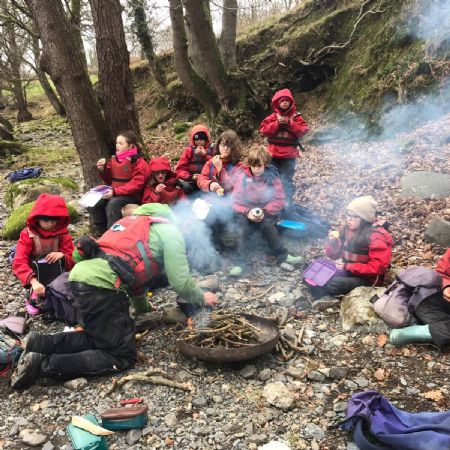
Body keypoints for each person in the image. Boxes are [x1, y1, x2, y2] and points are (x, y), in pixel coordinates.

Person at [11, 203, 218, 389]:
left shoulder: (130, 223)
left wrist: (144, 309)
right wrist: (201, 298)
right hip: (102, 287)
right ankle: (43, 365)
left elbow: (133, 279)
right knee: (121, 355)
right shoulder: (170, 231)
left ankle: (39, 344)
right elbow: (180, 281)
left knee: (98, 336)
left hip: (78, 279)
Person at [308, 196, 394, 309]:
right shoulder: (347, 229)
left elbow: (377, 268)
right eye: (348, 215)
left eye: (354, 216)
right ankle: (320, 292)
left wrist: (348, 266)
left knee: (334, 284)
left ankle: (327, 297)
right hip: (348, 270)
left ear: (364, 218)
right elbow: (334, 255)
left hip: (367, 279)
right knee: (315, 268)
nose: (349, 219)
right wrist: (332, 243)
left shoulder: (376, 236)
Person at [230, 145, 302, 276]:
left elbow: (280, 199)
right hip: (246, 212)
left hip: (266, 211)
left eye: (259, 166)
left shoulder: (272, 176)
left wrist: (265, 211)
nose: (256, 169)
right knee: (241, 227)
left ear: (265, 163)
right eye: (253, 166)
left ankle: (283, 255)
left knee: (268, 226)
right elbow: (235, 202)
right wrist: (247, 212)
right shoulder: (243, 177)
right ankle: (240, 263)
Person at [12, 194, 75, 315]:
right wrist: (33, 282)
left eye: (54, 220)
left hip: (57, 270)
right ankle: (32, 294)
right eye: (46, 220)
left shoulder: (63, 234)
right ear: (37, 218)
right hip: (35, 270)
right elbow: (19, 261)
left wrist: (63, 255)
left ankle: (57, 291)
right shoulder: (27, 234)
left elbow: (74, 256)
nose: (50, 224)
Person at [88, 130, 148, 235]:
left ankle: (113, 235)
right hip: (115, 192)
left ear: (130, 146)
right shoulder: (114, 160)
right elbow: (110, 180)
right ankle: (102, 233)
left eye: (120, 143)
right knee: (93, 202)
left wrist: (115, 192)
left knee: (113, 204)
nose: (117, 146)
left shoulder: (140, 163)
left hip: (132, 196)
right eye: (116, 143)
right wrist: (103, 170)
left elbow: (136, 185)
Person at [390, 249, 450, 348]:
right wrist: (447, 286)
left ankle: (417, 331)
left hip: (434, 312)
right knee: (425, 302)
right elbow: (442, 272)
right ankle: (422, 330)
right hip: (431, 304)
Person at [197, 129, 245, 252]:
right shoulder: (211, 162)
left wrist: (220, 169)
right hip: (211, 201)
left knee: (223, 221)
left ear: (234, 148)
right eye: (223, 145)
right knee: (203, 217)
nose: (226, 149)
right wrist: (210, 184)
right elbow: (201, 179)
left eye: (229, 146)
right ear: (218, 145)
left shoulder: (239, 166)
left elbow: (234, 186)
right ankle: (211, 248)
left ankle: (226, 248)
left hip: (230, 203)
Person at [259, 88, 309, 203]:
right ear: (277, 103)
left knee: (286, 179)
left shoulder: (296, 117)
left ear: (291, 103)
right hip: (273, 153)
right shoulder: (272, 117)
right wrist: (277, 124)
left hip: (289, 154)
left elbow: (303, 130)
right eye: (282, 101)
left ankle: (287, 203)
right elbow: (264, 130)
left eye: (287, 101)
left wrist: (290, 123)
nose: (285, 102)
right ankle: (272, 202)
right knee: (271, 177)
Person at [175, 124, 215, 195]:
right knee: (186, 187)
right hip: (193, 182)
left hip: (208, 182)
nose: (199, 142)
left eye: (201, 139)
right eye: (197, 140)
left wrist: (205, 155)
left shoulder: (212, 149)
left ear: (206, 139)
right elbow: (180, 169)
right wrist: (191, 177)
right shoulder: (189, 150)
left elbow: (218, 164)